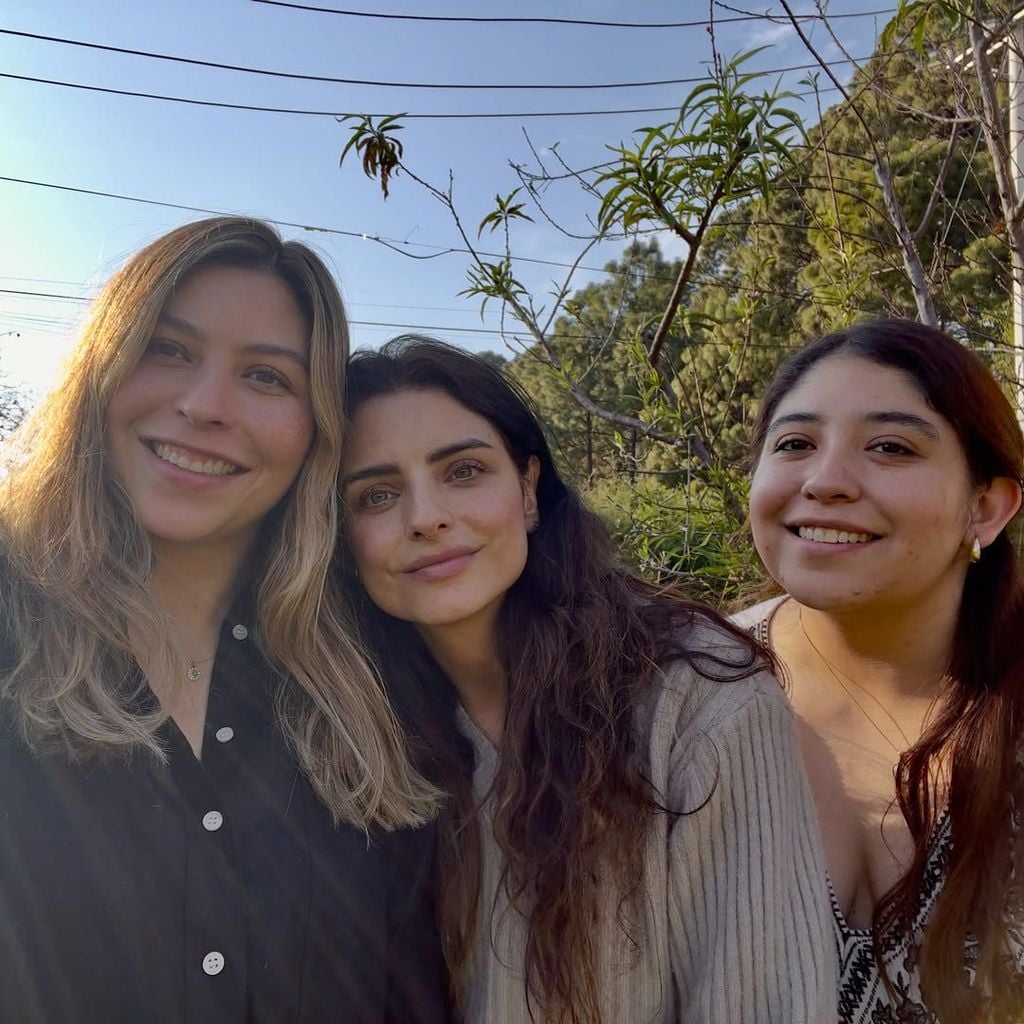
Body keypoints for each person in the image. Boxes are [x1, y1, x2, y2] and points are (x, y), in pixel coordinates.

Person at [0, 218, 450, 1023]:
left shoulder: (376, 679)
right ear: (99, 369)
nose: (206, 406)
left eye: (267, 377)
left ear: (317, 430)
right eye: (167, 349)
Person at [335, 335, 835, 1024]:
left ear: (528, 490)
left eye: (464, 471)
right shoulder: (348, 731)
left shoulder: (696, 699)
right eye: (377, 494)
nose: (425, 517)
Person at [737, 317, 1024, 1023]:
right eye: (795, 444)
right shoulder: (674, 696)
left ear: (986, 508)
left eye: (891, 447)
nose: (825, 481)